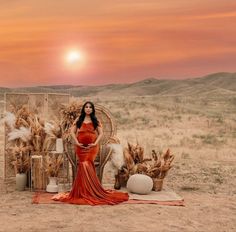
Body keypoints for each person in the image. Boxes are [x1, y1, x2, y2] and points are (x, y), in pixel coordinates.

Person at [52, 101, 129, 205]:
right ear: (84, 109)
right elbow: (72, 132)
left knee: (87, 165)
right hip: (80, 147)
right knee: (83, 165)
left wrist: (95, 143)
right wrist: (77, 142)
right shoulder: (79, 119)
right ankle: (82, 191)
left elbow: (101, 133)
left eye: (90, 107)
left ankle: (91, 191)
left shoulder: (95, 120)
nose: (88, 109)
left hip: (92, 148)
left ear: (92, 110)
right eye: (86, 107)